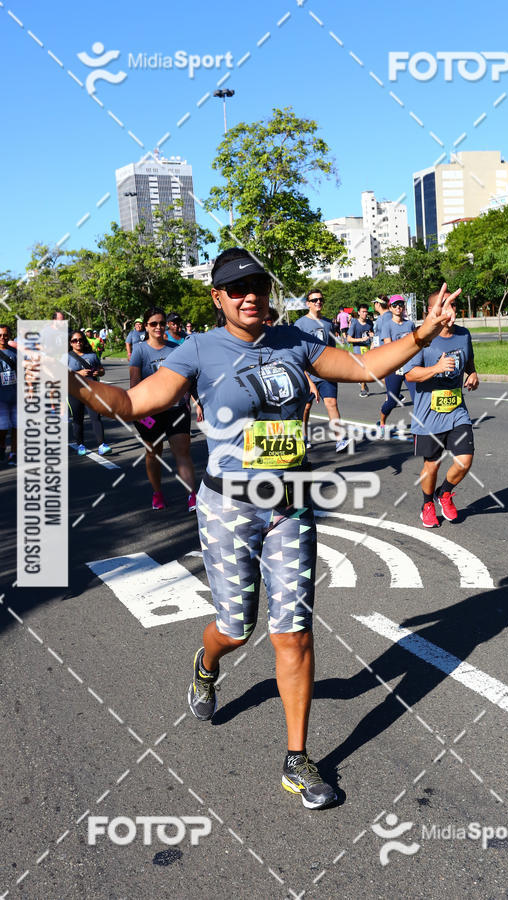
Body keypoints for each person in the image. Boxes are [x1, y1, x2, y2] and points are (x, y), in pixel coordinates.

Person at [66, 248, 457, 809]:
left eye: (257, 285)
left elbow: (364, 366)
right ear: (217, 297)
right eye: (236, 287)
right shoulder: (199, 349)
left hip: (289, 504)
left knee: (294, 633)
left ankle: (297, 759)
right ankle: (206, 664)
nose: (250, 294)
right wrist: (73, 384)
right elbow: (130, 401)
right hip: (227, 509)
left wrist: (420, 335)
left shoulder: (295, 341)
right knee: (235, 628)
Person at [404, 289, 479, 528]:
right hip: (429, 416)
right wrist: (436, 369)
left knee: (465, 460)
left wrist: (473, 373)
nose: (450, 311)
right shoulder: (422, 338)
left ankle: (444, 493)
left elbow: (469, 361)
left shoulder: (464, 335)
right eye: (444, 306)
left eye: (453, 306)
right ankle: (427, 503)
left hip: (457, 411)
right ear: (432, 312)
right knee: (432, 464)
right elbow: (410, 373)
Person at [129, 306, 196, 512]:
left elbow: (187, 378)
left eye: (161, 323)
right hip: (150, 410)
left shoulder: (176, 348)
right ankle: (157, 493)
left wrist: (195, 400)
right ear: (146, 327)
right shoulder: (140, 350)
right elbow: (134, 383)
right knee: (153, 453)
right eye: (153, 324)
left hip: (176, 409)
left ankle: (192, 496)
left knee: (182, 451)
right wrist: (141, 412)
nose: (158, 327)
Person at [294, 289, 349, 453]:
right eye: (314, 300)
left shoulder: (328, 323)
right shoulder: (300, 324)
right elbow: (298, 353)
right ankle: (303, 437)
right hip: (307, 373)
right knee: (305, 407)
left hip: (326, 372)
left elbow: (332, 348)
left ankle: (339, 439)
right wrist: (305, 376)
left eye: (320, 299)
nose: (318, 302)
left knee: (331, 403)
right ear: (308, 304)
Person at [376, 296, 416, 438]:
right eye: (395, 305)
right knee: (392, 401)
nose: (398, 307)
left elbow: (414, 344)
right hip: (394, 367)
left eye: (400, 305)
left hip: (410, 366)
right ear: (390, 307)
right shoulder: (387, 325)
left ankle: (419, 428)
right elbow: (388, 347)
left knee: (417, 398)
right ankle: (381, 422)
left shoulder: (410, 324)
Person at [67, 331, 112, 456]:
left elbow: (102, 370)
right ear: (70, 343)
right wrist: (78, 374)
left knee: (96, 416)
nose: (78, 342)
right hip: (74, 392)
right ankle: (81, 445)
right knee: (78, 419)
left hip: (92, 391)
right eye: (74, 340)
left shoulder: (91, 355)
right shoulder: (66, 357)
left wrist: (99, 372)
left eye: (80, 339)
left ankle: (102, 444)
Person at [0, 324, 17, 465]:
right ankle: (2, 445)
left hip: (16, 395)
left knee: (17, 426)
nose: (2, 338)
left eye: (5, 335)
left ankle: (14, 453)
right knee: (3, 428)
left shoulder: (15, 353)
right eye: (0, 335)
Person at [347, 303, 373, 396]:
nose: (365, 314)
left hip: (367, 347)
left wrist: (372, 335)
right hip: (358, 347)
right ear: (358, 312)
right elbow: (348, 339)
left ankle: (363, 382)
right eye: (363, 312)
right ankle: (362, 389)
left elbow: (371, 333)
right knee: (363, 367)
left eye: (366, 312)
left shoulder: (370, 323)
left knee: (367, 368)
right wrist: (361, 339)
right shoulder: (354, 324)